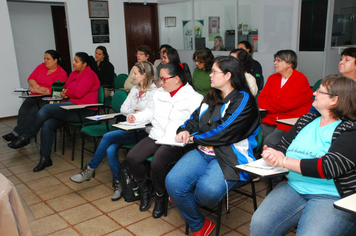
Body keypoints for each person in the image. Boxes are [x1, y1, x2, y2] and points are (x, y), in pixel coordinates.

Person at [166, 56, 260, 236]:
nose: (210, 75)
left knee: (206, 193)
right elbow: (195, 118)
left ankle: (183, 197)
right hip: (204, 152)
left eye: (214, 72)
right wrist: (185, 130)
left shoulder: (244, 99)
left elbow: (223, 130)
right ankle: (200, 224)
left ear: (228, 76)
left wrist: (194, 138)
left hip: (230, 155)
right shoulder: (211, 96)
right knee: (172, 182)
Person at [250, 76, 356, 236]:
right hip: (294, 187)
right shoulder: (307, 119)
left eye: (320, 91)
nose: (314, 93)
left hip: (330, 195)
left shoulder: (350, 129)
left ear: (334, 100)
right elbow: (283, 146)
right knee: (259, 226)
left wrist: (284, 161)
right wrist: (273, 153)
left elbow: (328, 167)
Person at [70, 61, 157, 201]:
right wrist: (134, 112)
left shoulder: (155, 92)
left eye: (135, 73)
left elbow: (150, 115)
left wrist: (135, 114)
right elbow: (123, 108)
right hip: (129, 128)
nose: (132, 76)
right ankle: (119, 183)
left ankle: (90, 169)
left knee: (108, 136)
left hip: (144, 132)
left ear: (144, 74)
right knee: (110, 149)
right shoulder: (135, 89)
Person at [126, 62, 203, 219]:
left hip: (175, 140)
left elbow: (197, 123)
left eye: (163, 79)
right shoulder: (159, 93)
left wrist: (186, 133)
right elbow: (150, 112)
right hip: (157, 135)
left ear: (176, 79)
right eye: (159, 79)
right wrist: (136, 117)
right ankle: (145, 189)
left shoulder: (194, 97)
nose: (160, 83)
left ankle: (160, 195)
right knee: (132, 157)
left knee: (157, 162)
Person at [8, 52, 100, 172]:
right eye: (74, 60)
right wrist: (65, 92)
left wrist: (67, 92)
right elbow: (64, 88)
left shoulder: (89, 75)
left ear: (84, 64)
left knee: (45, 109)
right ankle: (45, 158)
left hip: (84, 111)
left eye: (76, 61)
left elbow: (78, 93)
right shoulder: (73, 73)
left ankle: (26, 137)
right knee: (48, 124)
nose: (73, 63)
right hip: (71, 107)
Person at [2, 50, 68, 142]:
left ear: (55, 60)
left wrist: (39, 91)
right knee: (23, 111)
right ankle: (20, 133)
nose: (45, 61)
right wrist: (38, 88)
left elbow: (55, 91)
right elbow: (31, 79)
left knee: (32, 113)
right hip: (35, 95)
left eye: (48, 59)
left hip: (48, 99)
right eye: (44, 58)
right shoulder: (41, 66)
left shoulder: (61, 73)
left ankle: (17, 134)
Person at [258, 49, 313, 144]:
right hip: (270, 120)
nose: (275, 63)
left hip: (291, 123)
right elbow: (261, 100)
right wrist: (278, 102)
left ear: (290, 63)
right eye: (275, 60)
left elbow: (285, 105)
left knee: (271, 141)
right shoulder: (272, 78)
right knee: (249, 135)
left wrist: (272, 103)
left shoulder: (300, 79)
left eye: (279, 60)